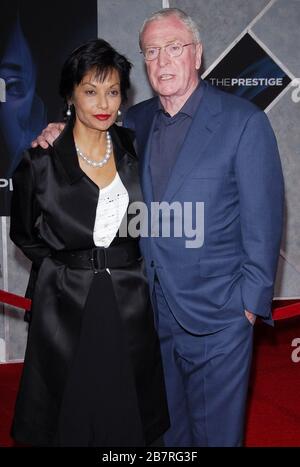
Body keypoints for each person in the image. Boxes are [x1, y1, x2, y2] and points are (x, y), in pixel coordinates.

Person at [32, 8, 284, 447]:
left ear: (197, 55)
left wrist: (248, 305)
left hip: (219, 316)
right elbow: (88, 139)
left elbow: (264, 223)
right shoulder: (134, 121)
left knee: (216, 438)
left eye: (173, 48)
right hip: (148, 314)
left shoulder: (243, 122)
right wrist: (60, 132)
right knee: (164, 435)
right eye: (151, 51)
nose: (162, 61)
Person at [10, 38, 169, 447]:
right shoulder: (39, 161)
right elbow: (24, 233)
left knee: (124, 409)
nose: (104, 102)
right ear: (70, 95)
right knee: (71, 410)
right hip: (66, 299)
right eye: (90, 90)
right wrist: (64, 268)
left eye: (113, 90)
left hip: (129, 296)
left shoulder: (136, 147)